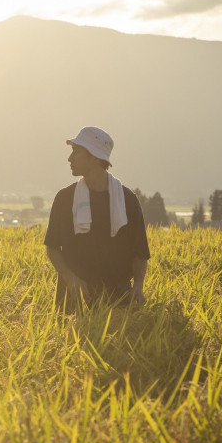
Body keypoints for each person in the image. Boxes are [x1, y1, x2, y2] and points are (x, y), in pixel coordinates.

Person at [44, 126, 150, 313]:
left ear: (94, 157)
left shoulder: (127, 200)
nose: (70, 158)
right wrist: (71, 279)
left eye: (76, 152)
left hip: (118, 301)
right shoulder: (64, 199)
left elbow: (140, 252)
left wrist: (138, 286)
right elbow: (52, 248)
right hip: (73, 299)